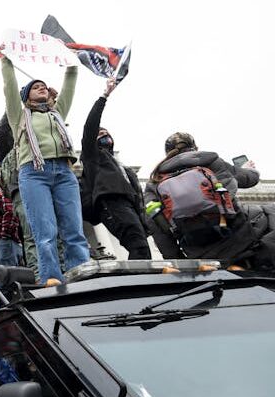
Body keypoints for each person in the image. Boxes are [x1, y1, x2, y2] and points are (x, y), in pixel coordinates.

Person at [1, 56, 90, 285]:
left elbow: (70, 81)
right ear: (25, 97)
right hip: (34, 173)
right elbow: (9, 86)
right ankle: (51, 276)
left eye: (43, 86)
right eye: (34, 87)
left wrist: (71, 60)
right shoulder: (19, 116)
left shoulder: (57, 113)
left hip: (63, 171)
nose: (40, 88)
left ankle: (81, 271)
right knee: (45, 231)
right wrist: (6, 60)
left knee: (74, 229)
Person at [145, 132, 262, 265]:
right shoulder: (211, 162)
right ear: (195, 147)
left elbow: (156, 227)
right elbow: (249, 179)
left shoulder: (154, 181)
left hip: (197, 252)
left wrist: (178, 260)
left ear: (167, 153)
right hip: (238, 241)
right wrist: (251, 170)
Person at [80, 78, 151, 259]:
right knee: (139, 246)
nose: (104, 134)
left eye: (106, 133)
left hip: (129, 205)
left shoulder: (119, 165)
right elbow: (90, 127)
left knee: (142, 248)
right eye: (100, 133)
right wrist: (103, 97)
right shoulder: (92, 156)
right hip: (111, 203)